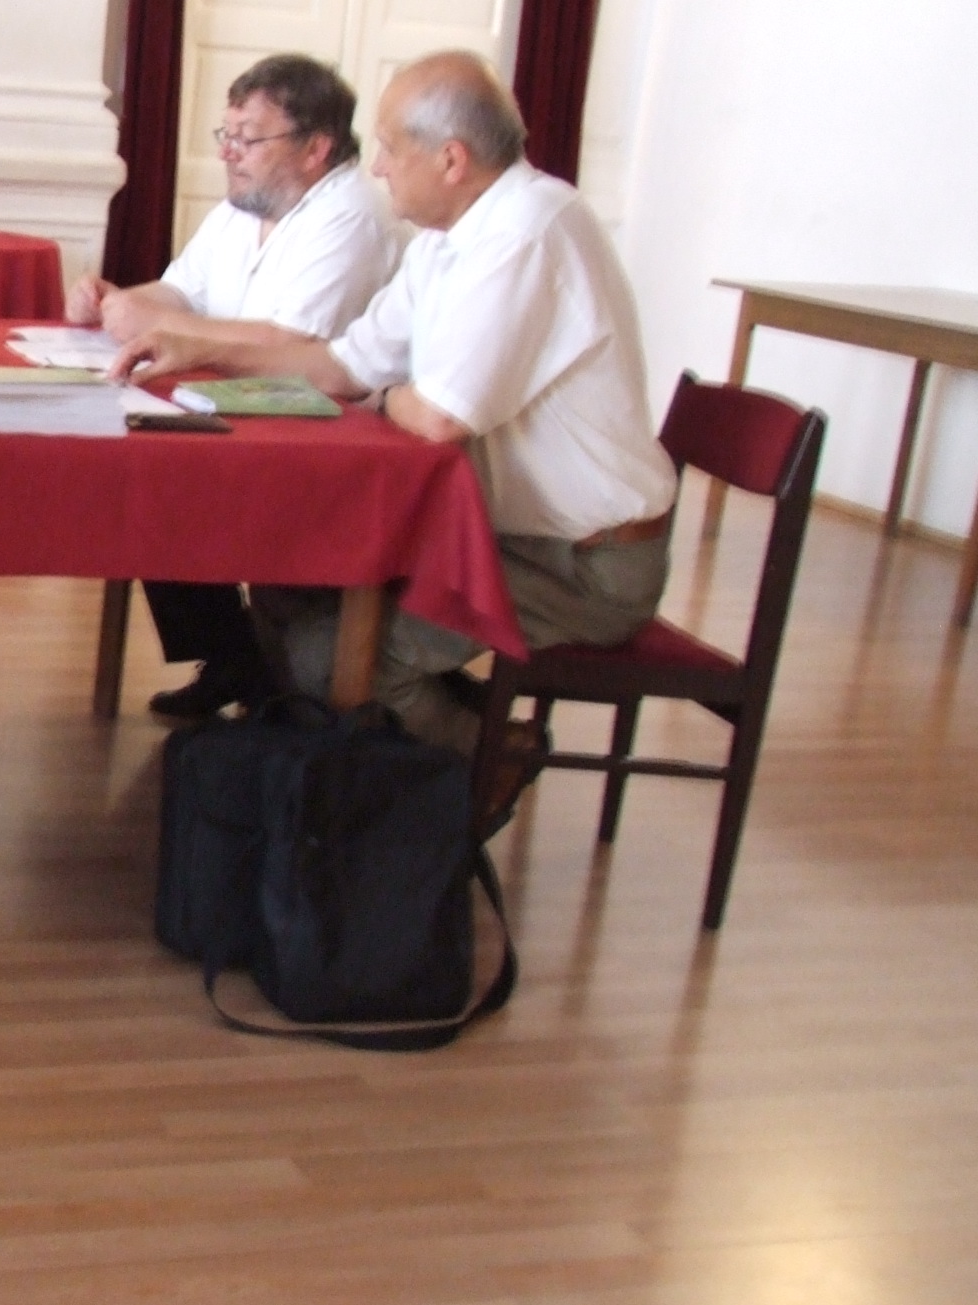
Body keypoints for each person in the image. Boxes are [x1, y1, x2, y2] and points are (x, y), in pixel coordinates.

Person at [114, 51, 678, 820]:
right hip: (505, 535)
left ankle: (487, 759)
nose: (375, 167)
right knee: (286, 584)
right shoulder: (448, 237)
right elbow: (346, 362)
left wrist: (389, 397)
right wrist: (200, 349)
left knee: (333, 655)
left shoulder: (525, 233)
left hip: (585, 566)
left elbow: (439, 417)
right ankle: (337, 775)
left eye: (388, 147)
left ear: (451, 159)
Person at [65, 53, 403, 720]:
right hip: (246, 407)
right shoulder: (247, 204)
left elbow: (287, 343)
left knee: (169, 481)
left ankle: (252, 666)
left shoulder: (351, 215)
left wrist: (155, 321)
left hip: (328, 432)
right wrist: (113, 298)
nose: (228, 153)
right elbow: (181, 291)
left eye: (247, 138)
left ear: (315, 148)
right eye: (227, 135)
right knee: (153, 472)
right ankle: (234, 659)